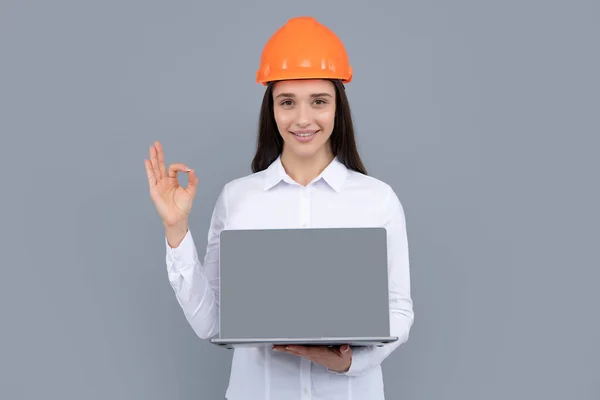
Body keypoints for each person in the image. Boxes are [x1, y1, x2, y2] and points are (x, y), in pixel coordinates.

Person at [144, 16, 414, 400]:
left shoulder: (377, 199)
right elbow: (213, 324)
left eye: (319, 101)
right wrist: (176, 229)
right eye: (287, 102)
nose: (303, 119)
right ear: (271, 109)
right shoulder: (237, 200)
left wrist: (350, 362)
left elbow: (399, 312)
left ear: (338, 107)